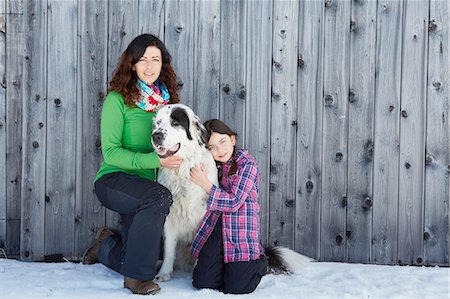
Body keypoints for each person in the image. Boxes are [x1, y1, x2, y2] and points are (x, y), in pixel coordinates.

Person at [82, 33, 183, 295]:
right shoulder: (118, 100)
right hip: (115, 180)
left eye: (155, 59)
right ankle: (137, 281)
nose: (149, 66)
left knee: (147, 251)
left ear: (163, 64)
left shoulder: (167, 104)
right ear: (133, 64)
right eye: (143, 59)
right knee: (159, 199)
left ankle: (104, 246)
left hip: (148, 188)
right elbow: (112, 153)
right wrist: (155, 160)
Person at [189, 119, 268, 294]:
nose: (219, 150)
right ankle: (224, 265)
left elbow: (234, 201)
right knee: (202, 282)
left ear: (232, 139)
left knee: (238, 288)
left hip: (240, 231)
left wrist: (206, 184)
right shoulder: (212, 165)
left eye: (222, 142)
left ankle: (260, 261)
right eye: (212, 147)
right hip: (217, 228)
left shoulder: (247, 165)